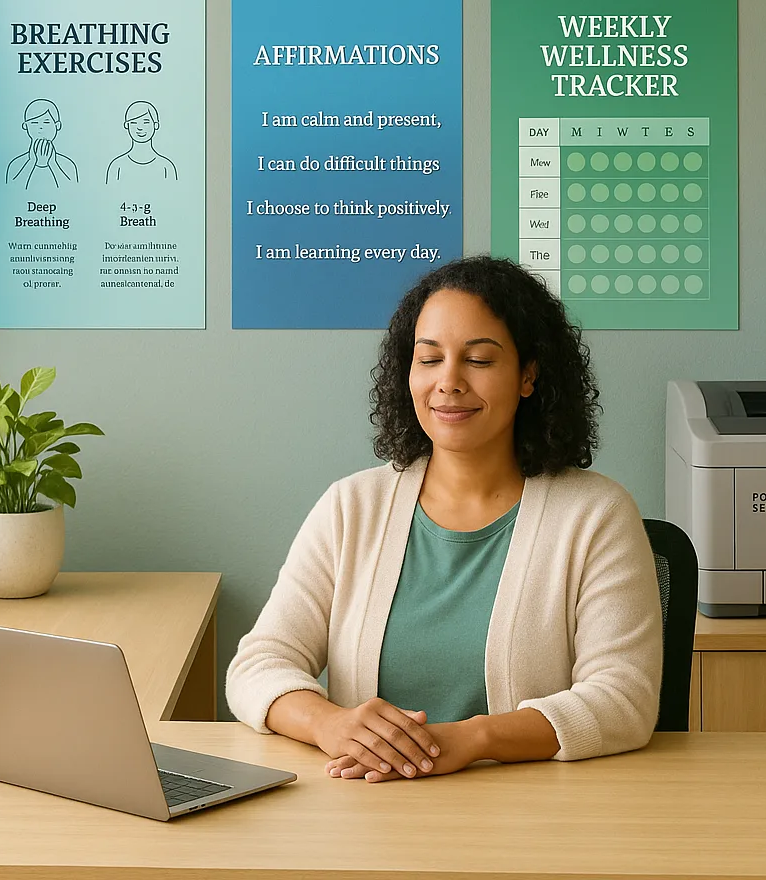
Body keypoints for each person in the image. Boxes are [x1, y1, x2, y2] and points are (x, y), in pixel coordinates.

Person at [226, 255, 663, 782]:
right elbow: (258, 665)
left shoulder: (597, 515)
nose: (449, 381)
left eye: (478, 359)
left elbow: (624, 699)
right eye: (429, 358)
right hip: (366, 807)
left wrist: (474, 739)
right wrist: (330, 724)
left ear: (528, 375)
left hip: (533, 813)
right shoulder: (352, 507)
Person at [6, 99, 79, 189]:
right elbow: (11, 188)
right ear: (25, 126)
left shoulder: (68, 165)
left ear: (57, 125)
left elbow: (72, 189)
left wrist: (53, 163)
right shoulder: (16, 165)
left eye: (46, 122)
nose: (40, 127)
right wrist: (31, 161)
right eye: (34, 122)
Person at [105, 101, 178, 184]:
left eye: (146, 122)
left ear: (156, 125)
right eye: (134, 123)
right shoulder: (117, 167)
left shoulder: (166, 167)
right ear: (126, 125)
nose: (140, 127)